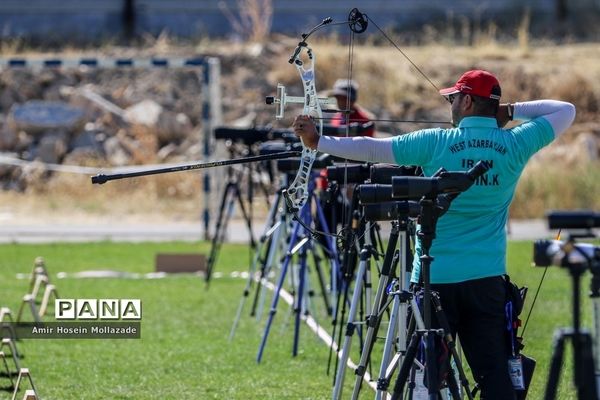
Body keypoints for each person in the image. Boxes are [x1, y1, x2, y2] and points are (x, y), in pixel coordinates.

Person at [293, 69, 576, 399]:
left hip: (433, 278)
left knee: (427, 380)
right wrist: (509, 111)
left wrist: (318, 141)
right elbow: (565, 110)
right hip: (487, 280)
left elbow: (371, 149)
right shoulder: (514, 143)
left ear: (467, 101)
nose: (450, 105)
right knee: (495, 376)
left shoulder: (435, 142)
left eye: (453, 98)